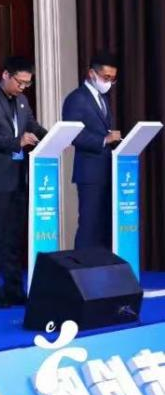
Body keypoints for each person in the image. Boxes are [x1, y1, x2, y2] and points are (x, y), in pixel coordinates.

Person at [0, 56, 47, 308]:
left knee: (13, 238)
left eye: (27, 84)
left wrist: (54, 137)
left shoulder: (23, 101)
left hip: (18, 179)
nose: (23, 87)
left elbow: (33, 126)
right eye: (20, 82)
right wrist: (16, 142)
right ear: (6, 75)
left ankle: (14, 288)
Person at [62, 53, 121, 250]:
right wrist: (104, 140)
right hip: (89, 172)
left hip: (107, 170)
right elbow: (72, 134)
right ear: (91, 73)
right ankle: (81, 265)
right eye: (106, 77)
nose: (109, 82)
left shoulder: (103, 98)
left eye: (113, 79)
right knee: (89, 225)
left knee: (103, 226)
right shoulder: (77, 98)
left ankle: (101, 265)